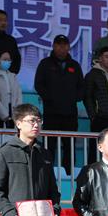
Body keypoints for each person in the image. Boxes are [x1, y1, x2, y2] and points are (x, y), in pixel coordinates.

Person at [34, 34, 84, 175]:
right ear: (54, 46)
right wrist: (50, 98)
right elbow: (39, 85)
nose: (62, 48)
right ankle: (47, 173)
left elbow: (81, 86)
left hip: (70, 113)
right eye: (59, 45)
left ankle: (68, 174)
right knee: (49, 145)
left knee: (69, 146)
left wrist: (74, 98)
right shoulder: (45, 64)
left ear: (68, 47)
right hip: (52, 112)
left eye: (64, 45)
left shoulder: (74, 65)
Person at [0, 50, 22, 146]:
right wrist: (4, 116)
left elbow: (18, 95)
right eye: (5, 59)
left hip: (13, 115)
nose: (8, 62)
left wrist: (17, 114)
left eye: (9, 60)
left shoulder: (12, 76)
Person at [0, 10, 21, 74]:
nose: (3, 23)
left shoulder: (11, 40)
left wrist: (11, 73)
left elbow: (17, 59)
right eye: (0, 20)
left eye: (5, 20)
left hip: (8, 75)